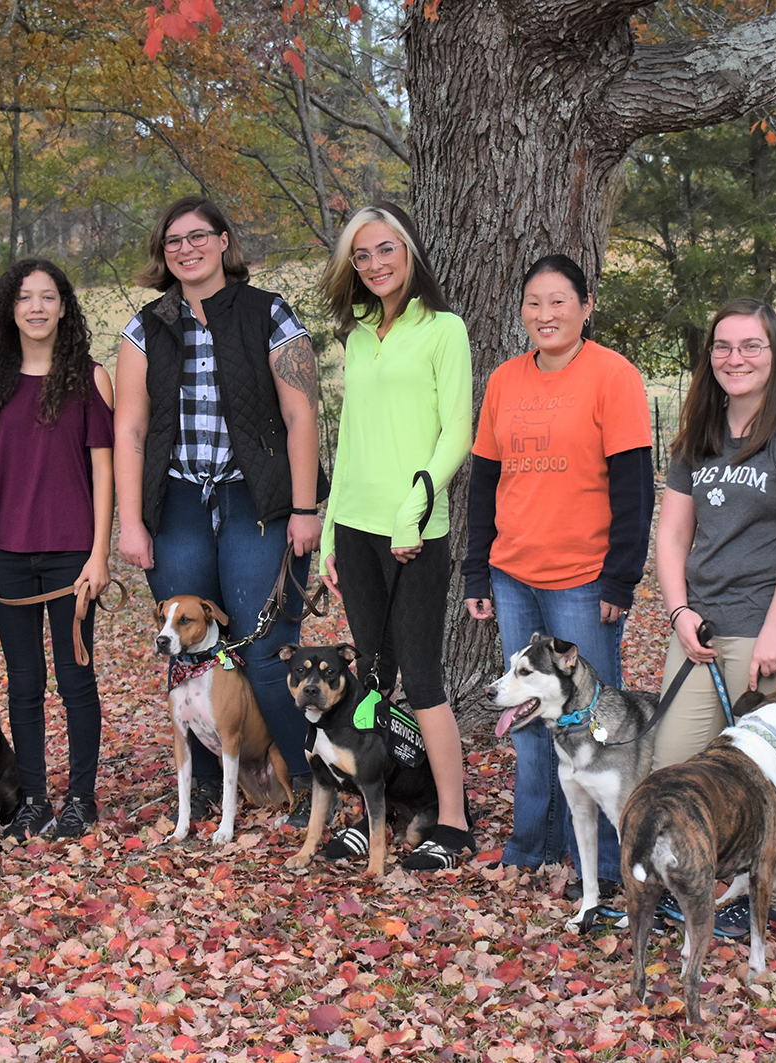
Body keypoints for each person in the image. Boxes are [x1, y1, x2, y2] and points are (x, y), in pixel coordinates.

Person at [114, 196, 325, 825]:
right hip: (175, 498)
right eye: (173, 241)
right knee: (189, 647)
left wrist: (306, 506)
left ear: (224, 241)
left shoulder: (267, 313)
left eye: (197, 237)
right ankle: (206, 782)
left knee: (264, 647)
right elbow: (129, 429)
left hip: (254, 498)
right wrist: (131, 520)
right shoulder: (145, 326)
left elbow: (300, 413)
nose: (186, 249)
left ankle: (309, 779)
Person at [461, 254, 652, 897]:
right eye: (534, 303)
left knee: (594, 723)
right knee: (528, 713)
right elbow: (484, 482)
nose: (546, 315)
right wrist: (476, 573)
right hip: (513, 572)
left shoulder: (613, 376)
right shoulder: (505, 381)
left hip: (583, 579)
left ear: (586, 305)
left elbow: (633, 489)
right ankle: (529, 845)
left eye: (559, 302)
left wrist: (620, 581)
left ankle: (595, 864)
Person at [651, 296, 776, 938]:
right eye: (723, 347)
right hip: (700, 628)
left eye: (751, 345)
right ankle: (700, 881)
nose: (736, 358)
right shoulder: (699, 430)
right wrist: (677, 611)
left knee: (766, 776)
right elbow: (671, 533)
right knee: (675, 759)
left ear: (774, 354)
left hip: (772, 629)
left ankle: (768, 901)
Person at [318, 201, 475, 871]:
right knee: (373, 681)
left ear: (409, 252)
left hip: (416, 530)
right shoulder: (356, 336)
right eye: (362, 256)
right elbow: (349, 443)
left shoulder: (444, 329)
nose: (376, 264)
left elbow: (457, 433)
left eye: (386, 250)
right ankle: (374, 812)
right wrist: (329, 532)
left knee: (423, 676)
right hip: (354, 526)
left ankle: (453, 821)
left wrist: (415, 506)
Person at [0, 258, 115, 842]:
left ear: (63, 307)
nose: (36, 307)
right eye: (25, 297)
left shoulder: (89, 379)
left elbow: (104, 473)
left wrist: (99, 554)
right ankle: (33, 799)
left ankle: (80, 798)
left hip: (70, 555)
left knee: (76, 679)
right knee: (23, 682)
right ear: (11, 308)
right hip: (6, 554)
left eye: (47, 297)